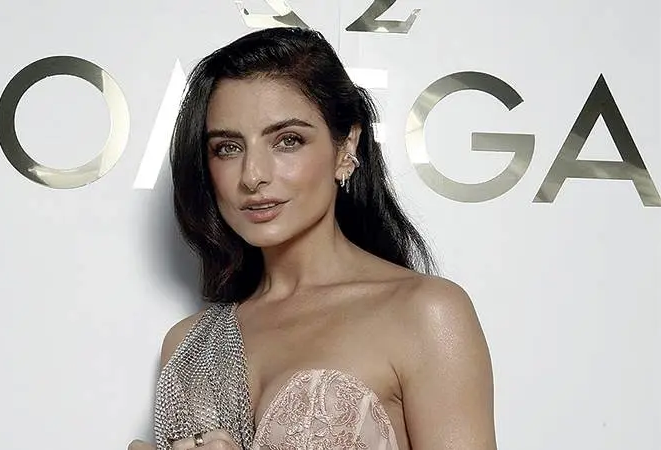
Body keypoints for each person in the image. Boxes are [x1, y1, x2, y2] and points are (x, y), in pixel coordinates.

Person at [129, 27, 496, 450]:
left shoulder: (426, 313)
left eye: (288, 141)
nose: (253, 176)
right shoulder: (189, 346)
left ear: (346, 146)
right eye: (228, 148)